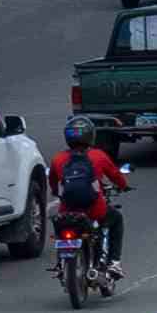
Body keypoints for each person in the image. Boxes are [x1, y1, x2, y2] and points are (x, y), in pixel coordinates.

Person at [51, 118, 133, 277]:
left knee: (61, 228)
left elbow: (54, 184)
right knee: (116, 219)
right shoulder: (98, 156)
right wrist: (124, 186)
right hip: (94, 210)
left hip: (67, 210)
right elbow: (116, 176)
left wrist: (56, 192)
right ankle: (114, 263)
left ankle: (61, 263)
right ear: (91, 136)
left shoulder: (58, 159)